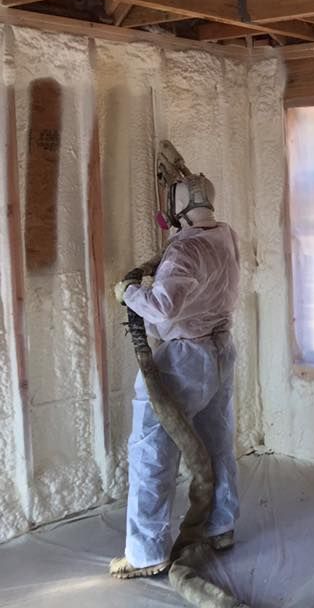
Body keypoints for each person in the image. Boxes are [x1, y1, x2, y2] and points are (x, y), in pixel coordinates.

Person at [109, 174, 241, 579]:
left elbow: (164, 307)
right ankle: (220, 526)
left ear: (177, 207)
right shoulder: (225, 234)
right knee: (216, 440)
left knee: (151, 448)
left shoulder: (185, 248)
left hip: (184, 359)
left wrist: (127, 293)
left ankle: (146, 552)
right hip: (221, 351)